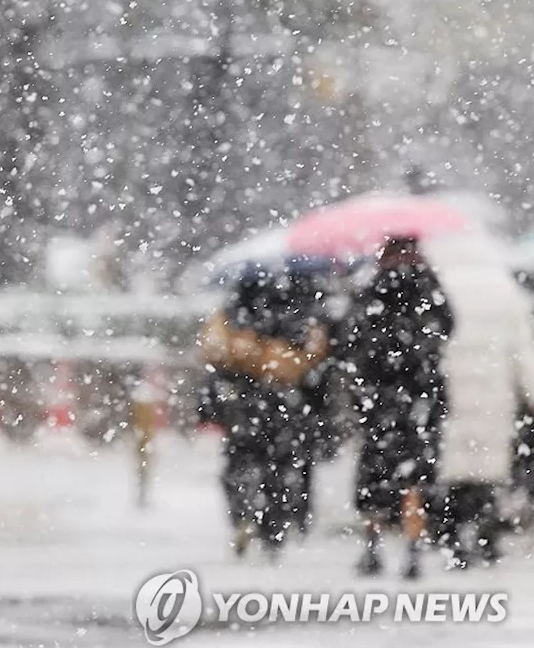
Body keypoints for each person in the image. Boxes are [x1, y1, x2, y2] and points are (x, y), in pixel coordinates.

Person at [198, 266, 330, 558]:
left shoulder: (235, 309)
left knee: (238, 461)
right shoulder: (303, 308)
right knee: (280, 468)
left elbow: (215, 356)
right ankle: (274, 529)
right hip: (285, 401)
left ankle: (242, 514)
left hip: (242, 401)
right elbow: (312, 360)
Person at [343, 235, 453, 579]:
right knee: (416, 477)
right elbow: (448, 327)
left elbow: (352, 336)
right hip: (420, 396)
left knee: (375, 476)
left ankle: (373, 547)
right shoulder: (428, 286)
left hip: (380, 399)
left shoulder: (373, 288)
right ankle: (413, 549)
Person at [426, 232, 534, 567]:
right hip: (493, 393)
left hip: (452, 391)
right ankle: (485, 536)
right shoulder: (505, 291)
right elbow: (522, 352)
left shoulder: (440, 286)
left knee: (452, 467)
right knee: (486, 470)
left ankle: (453, 537)